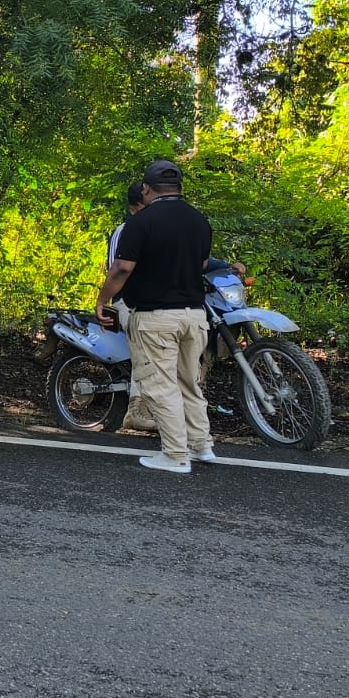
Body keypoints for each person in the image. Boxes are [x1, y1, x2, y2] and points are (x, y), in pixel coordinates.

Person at [94, 159, 216, 474]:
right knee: (188, 381)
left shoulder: (141, 222)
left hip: (155, 316)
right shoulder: (199, 221)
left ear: (147, 189)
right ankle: (201, 445)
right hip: (194, 316)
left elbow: (122, 268)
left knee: (160, 385)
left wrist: (102, 299)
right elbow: (202, 265)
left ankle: (175, 455)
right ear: (179, 188)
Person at [107, 181, 156, 433]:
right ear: (136, 206)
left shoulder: (156, 230)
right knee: (146, 341)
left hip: (153, 301)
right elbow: (116, 270)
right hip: (127, 301)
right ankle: (136, 411)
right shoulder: (124, 231)